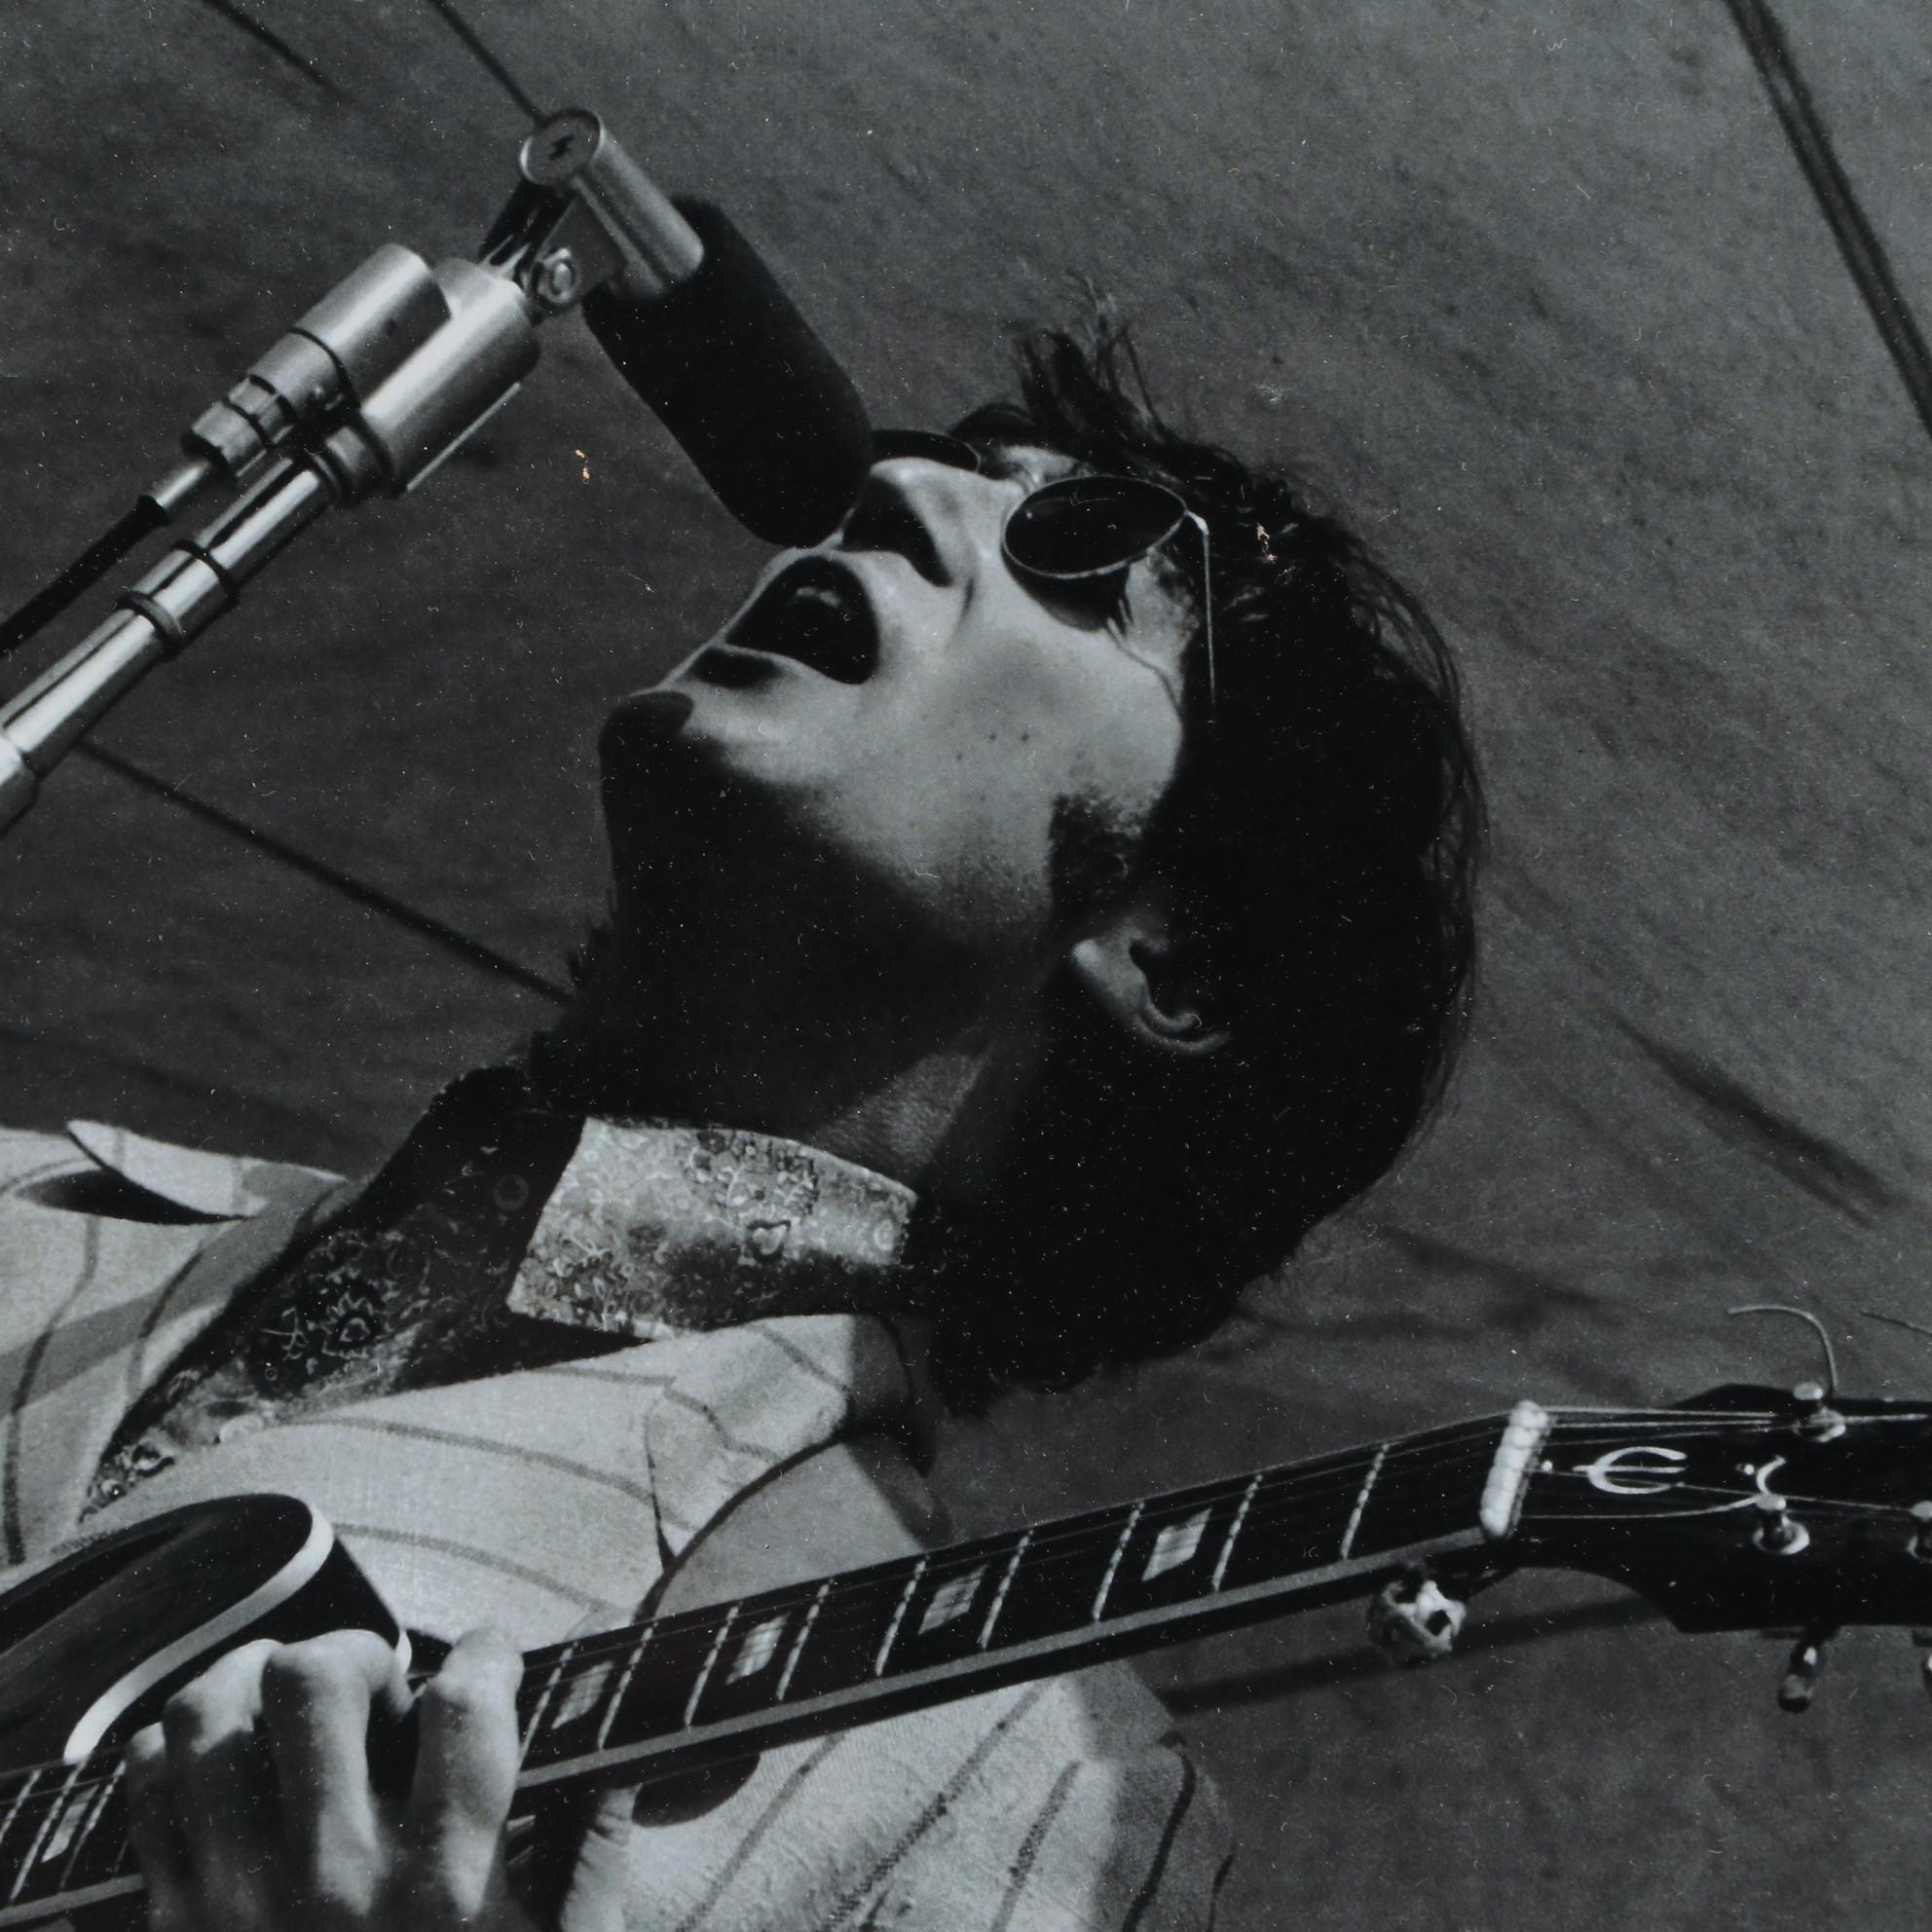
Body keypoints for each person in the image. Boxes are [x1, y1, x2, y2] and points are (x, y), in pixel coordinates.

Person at [0, 322, 1480, 1929]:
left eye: (1076, 553)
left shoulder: (1000, 1768)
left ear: (1176, 958)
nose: (897, 488)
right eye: (942, 465)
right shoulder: (30, 1199)